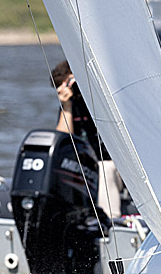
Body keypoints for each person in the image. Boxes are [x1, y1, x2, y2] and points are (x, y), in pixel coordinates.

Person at [51, 60, 124, 218]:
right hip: (85, 170)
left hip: (117, 167)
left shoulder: (105, 97)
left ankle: (112, 223)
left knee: (104, 169)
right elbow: (63, 142)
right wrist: (67, 107)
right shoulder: (71, 106)